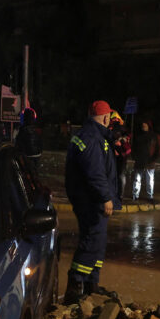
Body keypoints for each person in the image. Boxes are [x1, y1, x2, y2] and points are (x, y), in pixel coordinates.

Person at [64, 100, 120, 302]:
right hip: (91, 201)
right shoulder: (92, 137)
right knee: (91, 241)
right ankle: (75, 287)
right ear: (106, 117)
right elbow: (95, 173)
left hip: (89, 199)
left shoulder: (92, 135)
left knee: (97, 242)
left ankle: (91, 286)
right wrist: (105, 198)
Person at [131, 120, 160, 202]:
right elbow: (133, 147)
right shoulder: (138, 135)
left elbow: (159, 149)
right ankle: (135, 196)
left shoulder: (154, 136)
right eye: (142, 125)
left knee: (150, 180)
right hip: (139, 161)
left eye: (145, 124)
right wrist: (134, 156)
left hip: (150, 162)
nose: (143, 126)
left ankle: (150, 196)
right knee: (137, 179)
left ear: (149, 126)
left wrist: (153, 159)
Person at [14, 106, 43, 172]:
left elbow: (18, 142)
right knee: (34, 170)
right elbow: (40, 142)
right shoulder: (36, 129)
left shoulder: (22, 129)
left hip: (27, 155)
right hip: (37, 154)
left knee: (23, 171)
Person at [110, 112, 131, 198]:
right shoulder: (110, 129)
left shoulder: (123, 129)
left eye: (116, 119)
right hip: (114, 155)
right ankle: (116, 194)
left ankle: (119, 195)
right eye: (114, 119)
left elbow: (127, 138)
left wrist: (120, 141)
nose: (115, 120)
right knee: (115, 175)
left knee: (120, 175)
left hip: (121, 156)